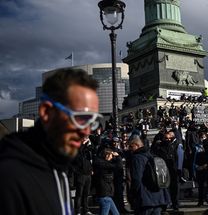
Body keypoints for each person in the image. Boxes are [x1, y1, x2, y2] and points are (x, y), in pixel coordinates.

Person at [0, 68, 100, 215]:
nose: (85, 131)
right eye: (79, 118)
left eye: (91, 121)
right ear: (47, 112)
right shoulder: (8, 176)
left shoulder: (58, 168)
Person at [129, 137, 170, 215]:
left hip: (145, 199)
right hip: (158, 195)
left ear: (137, 145)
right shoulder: (151, 155)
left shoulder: (137, 158)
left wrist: (133, 194)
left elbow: (136, 178)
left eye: (131, 146)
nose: (129, 149)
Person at [93, 148, 122, 215]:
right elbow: (119, 166)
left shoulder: (101, 163)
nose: (112, 157)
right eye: (111, 155)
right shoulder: (103, 165)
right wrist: (118, 157)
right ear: (107, 155)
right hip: (104, 195)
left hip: (106, 195)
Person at [72, 137, 95, 215]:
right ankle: (77, 211)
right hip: (80, 174)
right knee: (79, 194)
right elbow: (79, 152)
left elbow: (92, 149)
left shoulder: (87, 150)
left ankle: (86, 210)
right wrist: (83, 143)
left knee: (86, 193)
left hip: (88, 174)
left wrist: (89, 143)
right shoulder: (77, 148)